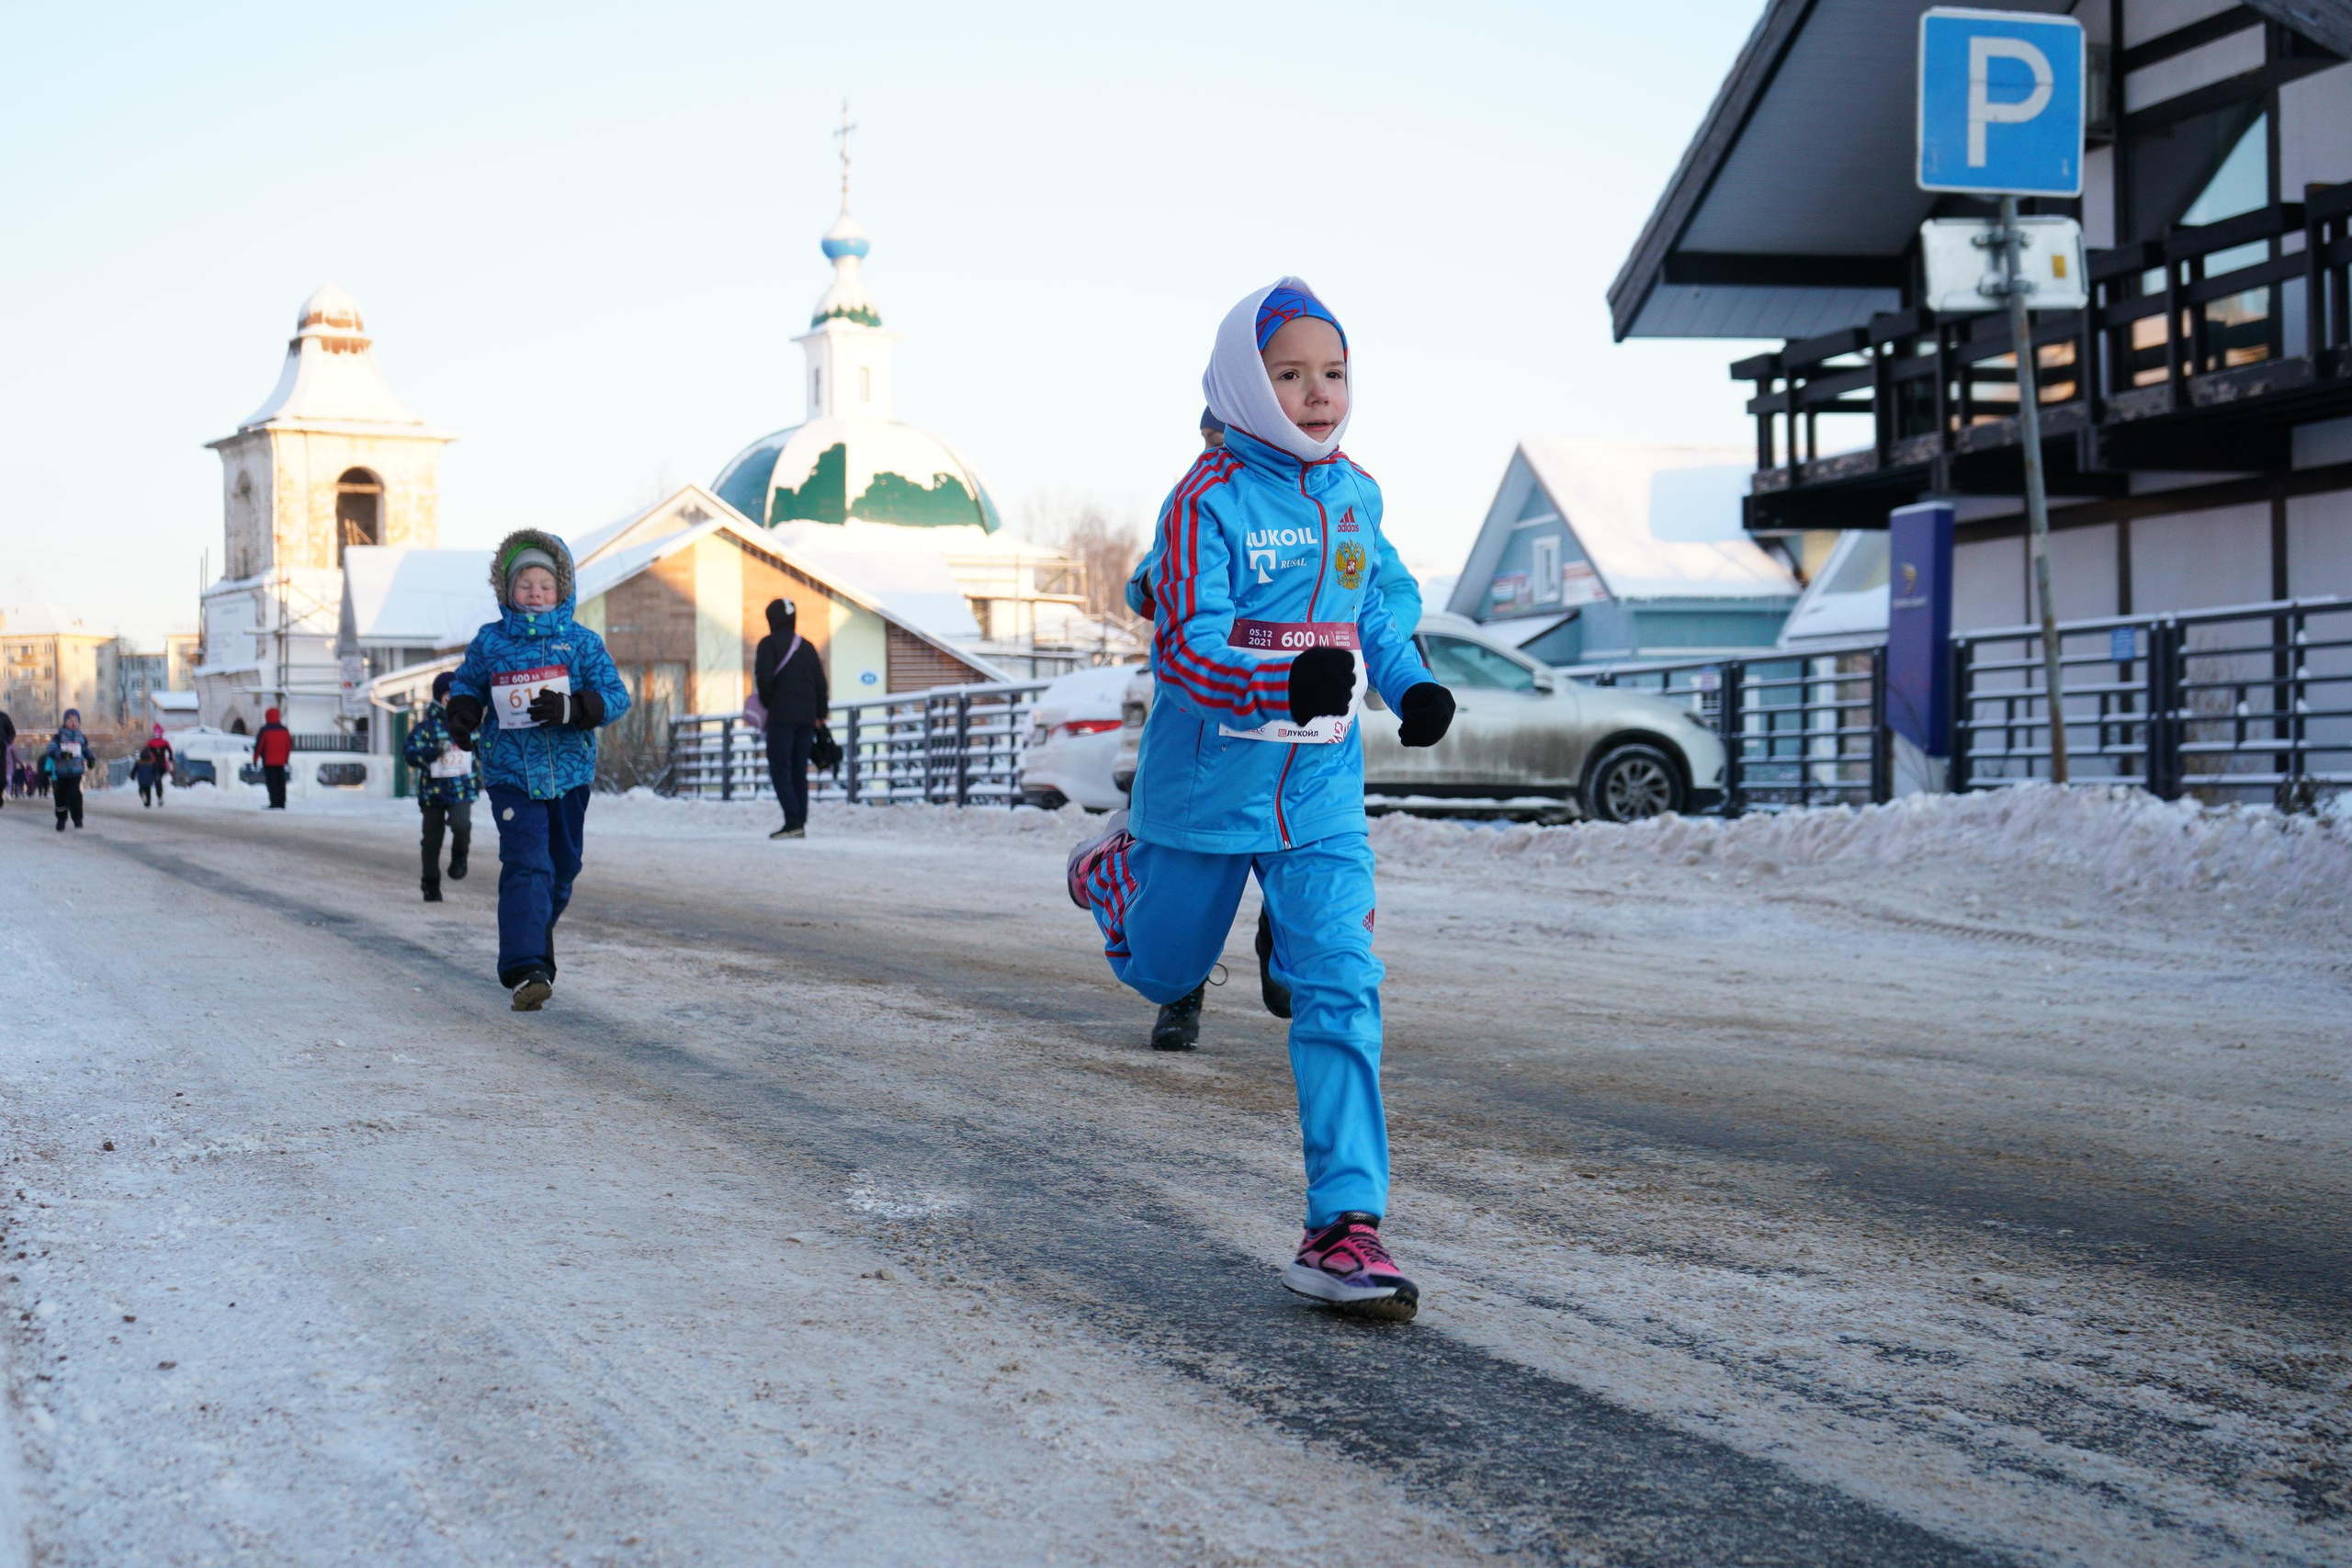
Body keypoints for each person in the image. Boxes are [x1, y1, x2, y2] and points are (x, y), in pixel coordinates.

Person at [1065, 278, 1455, 1321]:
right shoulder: (1206, 502)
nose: (1317, 393)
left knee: (1343, 980)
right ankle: (1113, 875)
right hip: (1202, 792)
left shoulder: (1354, 495)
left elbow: (1380, 601)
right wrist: (1278, 682)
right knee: (1162, 969)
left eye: (1333, 374)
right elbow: (1188, 645)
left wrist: (1409, 682)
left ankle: (1343, 1225)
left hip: (1320, 796)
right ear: (1247, 382)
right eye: (1290, 374)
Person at [1128, 406, 1426, 1054]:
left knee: (1311, 871)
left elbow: (1388, 590)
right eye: (1211, 438)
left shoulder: (1342, 499)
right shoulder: (1207, 498)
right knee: (1184, 908)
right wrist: (1175, 587)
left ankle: (1283, 936)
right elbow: (1148, 586)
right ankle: (1184, 982)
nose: (1219, 447)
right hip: (1219, 734)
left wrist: (1381, 652)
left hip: (1310, 741)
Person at [443, 529, 631, 1011]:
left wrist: (574, 708)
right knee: (528, 863)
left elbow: (616, 698)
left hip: (569, 773)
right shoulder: (491, 641)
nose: (534, 593)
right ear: (507, 590)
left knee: (562, 868)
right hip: (511, 774)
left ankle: (534, 930)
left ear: (562, 590)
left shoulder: (582, 644)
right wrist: (463, 711)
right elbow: (465, 685)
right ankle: (527, 969)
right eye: (524, 584)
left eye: (544, 585)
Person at [753, 597, 829, 840]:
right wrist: (820, 714)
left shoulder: (768, 645)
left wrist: (768, 703)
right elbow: (820, 683)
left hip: (781, 717)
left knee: (779, 768)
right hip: (807, 719)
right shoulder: (807, 646)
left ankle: (792, 819)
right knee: (799, 770)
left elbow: (763, 679)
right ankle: (799, 821)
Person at [401, 671, 480, 902]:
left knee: (462, 824)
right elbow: (410, 754)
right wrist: (431, 752)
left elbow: (483, 747)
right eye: (448, 695)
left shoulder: (469, 724)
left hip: (461, 789)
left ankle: (460, 856)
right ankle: (430, 882)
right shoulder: (426, 728)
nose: (452, 700)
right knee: (432, 839)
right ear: (439, 697)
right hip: (433, 792)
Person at [46, 709, 96, 831]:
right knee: (61, 795)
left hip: (76, 771)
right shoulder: (59, 737)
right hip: (61, 772)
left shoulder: (81, 737)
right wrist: (61, 754)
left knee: (75, 794)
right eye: (70, 720)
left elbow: (85, 750)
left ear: (79, 723)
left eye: (75, 720)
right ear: (65, 722)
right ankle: (61, 819)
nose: (73, 723)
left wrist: (90, 758)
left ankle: (77, 818)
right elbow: (51, 750)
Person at [253, 707, 293, 807]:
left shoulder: (264, 730)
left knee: (272, 783)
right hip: (281, 761)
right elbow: (288, 746)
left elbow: (259, 746)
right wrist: (286, 759)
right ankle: (282, 803)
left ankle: (274, 802)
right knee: (281, 782)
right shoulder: (284, 730)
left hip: (268, 761)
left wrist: (255, 758)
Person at [133, 725, 174, 807]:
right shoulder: (165, 742)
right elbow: (170, 752)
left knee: (149, 781)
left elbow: (145, 752)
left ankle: (146, 794)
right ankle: (160, 797)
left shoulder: (149, 743)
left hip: (152, 764)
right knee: (158, 781)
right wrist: (170, 760)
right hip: (163, 765)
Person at [0, 707, 13, 808]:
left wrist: (6, 742)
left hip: (1, 752)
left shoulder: (3, 717)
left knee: (1, 779)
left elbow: (12, 732)